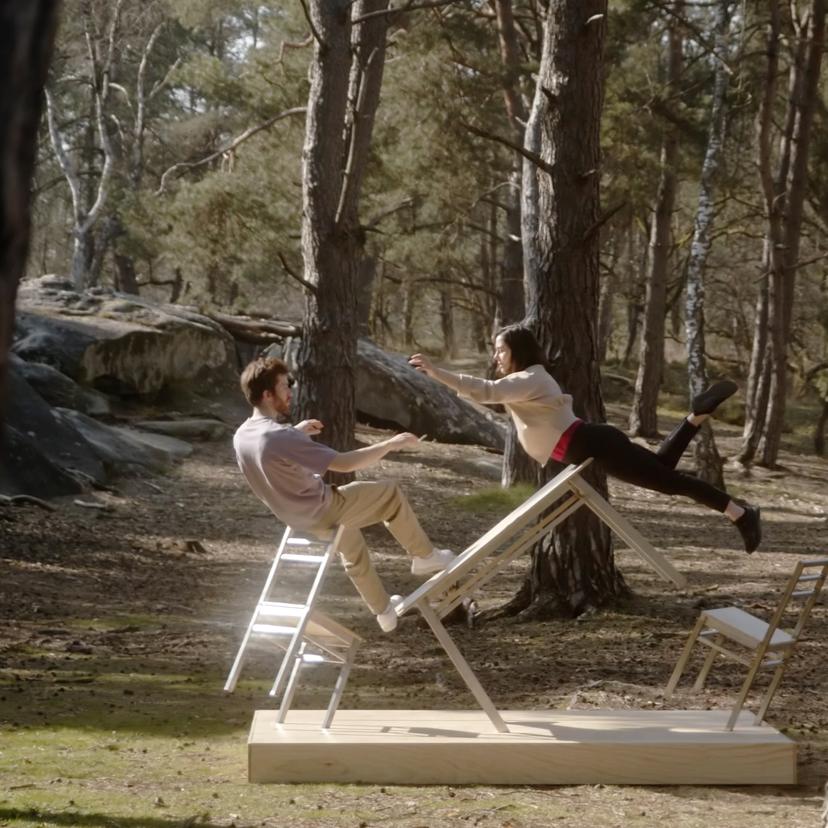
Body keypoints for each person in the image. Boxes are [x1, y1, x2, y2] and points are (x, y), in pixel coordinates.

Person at [409, 323, 761, 554]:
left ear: (518, 350)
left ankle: (741, 513)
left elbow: (485, 391)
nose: (496, 357)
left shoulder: (531, 377)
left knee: (671, 482)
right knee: (663, 469)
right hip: (593, 442)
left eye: (500, 350)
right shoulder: (528, 382)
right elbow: (490, 395)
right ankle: (695, 416)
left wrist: (435, 371)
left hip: (592, 443)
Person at [233, 356, 455, 633]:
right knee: (389, 494)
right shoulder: (279, 437)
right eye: (283, 386)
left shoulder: (243, 435)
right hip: (322, 507)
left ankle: (383, 611)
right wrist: (390, 444)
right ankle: (424, 556)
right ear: (267, 394)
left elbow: (272, 453)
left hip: (296, 519)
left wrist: (297, 431)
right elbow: (344, 464)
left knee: (351, 546)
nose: (290, 391)